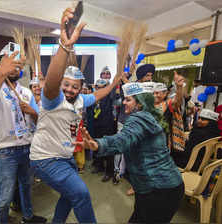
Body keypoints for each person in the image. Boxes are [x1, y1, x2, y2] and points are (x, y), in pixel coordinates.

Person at [29, 7, 123, 223]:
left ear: (81, 88)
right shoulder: (53, 99)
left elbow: (98, 94)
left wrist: (115, 81)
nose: (70, 90)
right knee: (80, 193)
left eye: (75, 86)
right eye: (67, 85)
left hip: (65, 157)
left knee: (69, 196)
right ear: (62, 85)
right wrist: (65, 46)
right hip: (46, 160)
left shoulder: (81, 100)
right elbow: (51, 82)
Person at [76, 82, 184, 223]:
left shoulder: (139, 119)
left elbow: (123, 140)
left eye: (128, 99)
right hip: (157, 188)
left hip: (160, 189)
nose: (123, 102)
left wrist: (98, 144)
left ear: (139, 103)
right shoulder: (147, 115)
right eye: (124, 98)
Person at [0, 48, 46, 224]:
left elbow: (39, 119)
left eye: (18, 66)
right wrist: (1, 75)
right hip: (6, 150)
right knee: (5, 195)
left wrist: (33, 111)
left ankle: (28, 216)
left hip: (27, 146)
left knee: (26, 186)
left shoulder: (27, 92)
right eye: (11, 64)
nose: (15, 69)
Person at [91, 78, 116, 183]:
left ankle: (109, 172)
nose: (100, 89)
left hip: (108, 127)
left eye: (103, 87)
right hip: (97, 126)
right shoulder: (93, 97)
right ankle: (99, 166)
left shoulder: (110, 97)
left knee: (108, 150)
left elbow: (115, 92)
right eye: (98, 87)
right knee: (97, 147)